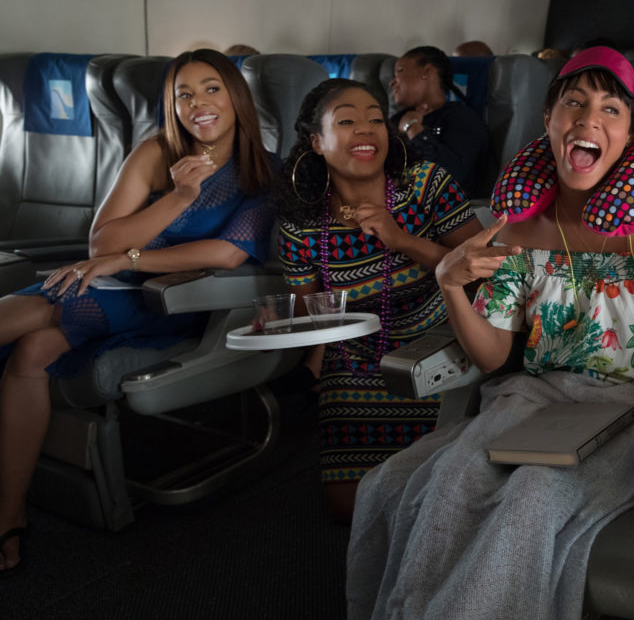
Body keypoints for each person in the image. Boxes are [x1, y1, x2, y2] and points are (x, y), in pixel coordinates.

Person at [346, 47, 634, 619]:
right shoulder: (517, 229)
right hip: (534, 402)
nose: (589, 120)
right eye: (574, 103)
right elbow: (492, 356)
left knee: (534, 494)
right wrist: (449, 284)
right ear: (549, 120)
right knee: (431, 483)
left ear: (630, 133)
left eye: (610, 109)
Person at [0, 48, 276, 575]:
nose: (198, 104)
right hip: (110, 281)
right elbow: (100, 240)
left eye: (211, 89)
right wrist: (179, 196)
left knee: (43, 312)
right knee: (32, 351)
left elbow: (226, 254)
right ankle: (9, 513)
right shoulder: (156, 152)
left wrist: (126, 260)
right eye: (184, 94)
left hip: (171, 298)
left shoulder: (264, 172)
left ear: (236, 96)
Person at [276, 78, 482, 521]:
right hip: (353, 365)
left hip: (436, 350)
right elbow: (307, 313)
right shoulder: (302, 223)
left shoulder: (425, 185)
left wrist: (402, 240)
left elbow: (485, 271)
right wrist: (280, 329)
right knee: (348, 507)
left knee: (440, 492)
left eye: (375, 118)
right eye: (346, 121)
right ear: (316, 142)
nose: (366, 129)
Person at [389, 45, 492, 198]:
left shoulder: (462, 118)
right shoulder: (396, 119)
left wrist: (414, 130)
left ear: (427, 72)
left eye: (400, 71)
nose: (392, 82)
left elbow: (452, 177)